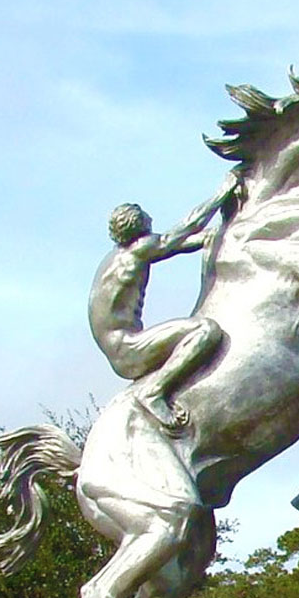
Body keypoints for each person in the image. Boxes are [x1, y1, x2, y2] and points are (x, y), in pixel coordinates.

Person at [88, 172, 238, 431]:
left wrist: (219, 233)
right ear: (138, 224)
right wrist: (221, 194)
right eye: (147, 216)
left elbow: (184, 243)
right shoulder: (140, 248)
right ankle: (155, 392)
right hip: (129, 348)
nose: (152, 218)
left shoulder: (120, 257)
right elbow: (188, 228)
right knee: (205, 331)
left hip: (119, 348)